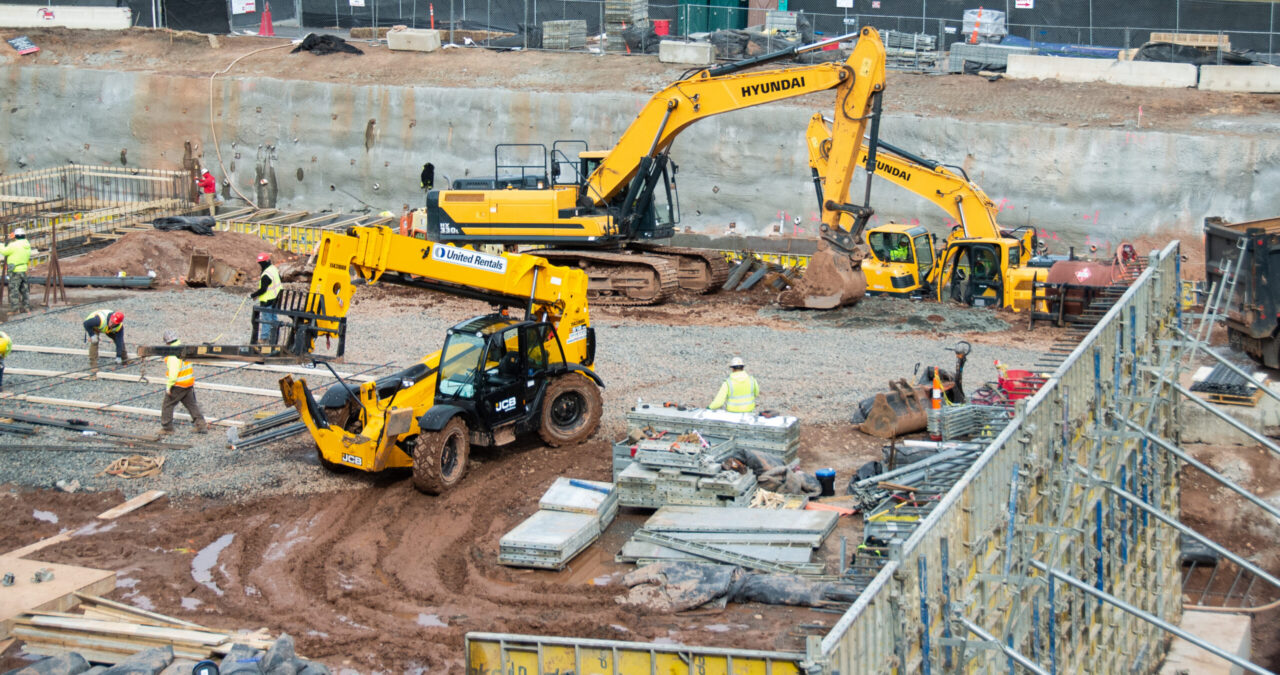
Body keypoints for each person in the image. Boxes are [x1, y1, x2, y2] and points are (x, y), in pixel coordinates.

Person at [159, 330, 208, 435]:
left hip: (178, 384)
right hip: (188, 383)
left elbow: (173, 373)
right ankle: (201, 425)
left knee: (167, 405)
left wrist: (169, 387)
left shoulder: (173, 355)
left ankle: (167, 428)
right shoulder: (184, 349)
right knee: (191, 405)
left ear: (167, 342)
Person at [249, 252, 283, 343]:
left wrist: (253, 295)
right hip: (276, 298)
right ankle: (274, 338)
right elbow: (279, 279)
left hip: (268, 299)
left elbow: (263, 289)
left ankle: (264, 338)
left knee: (266, 319)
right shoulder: (273, 269)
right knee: (273, 319)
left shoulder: (266, 274)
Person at [1, 228, 33, 314]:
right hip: (23, 269)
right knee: (24, 290)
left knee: (14, 290)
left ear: (15, 236)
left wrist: (1, 244)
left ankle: (15, 309)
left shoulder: (14, 245)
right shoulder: (27, 244)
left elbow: (4, 251)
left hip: (15, 270)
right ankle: (26, 307)